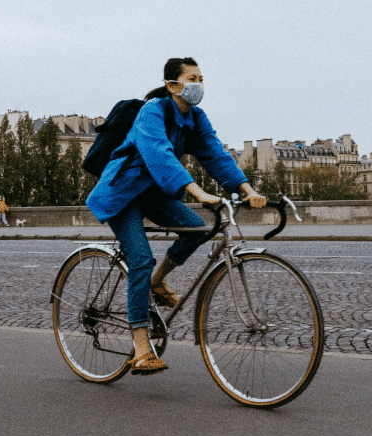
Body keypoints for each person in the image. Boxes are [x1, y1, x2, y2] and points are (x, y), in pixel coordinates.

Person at [86, 57, 266, 375]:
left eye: (201, 78)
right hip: (122, 192)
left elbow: (215, 153)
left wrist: (246, 188)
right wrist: (197, 192)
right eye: (192, 78)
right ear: (173, 85)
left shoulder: (195, 117)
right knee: (140, 257)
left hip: (153, 193)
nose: (198, 84)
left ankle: (155, 283)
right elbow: (159, 154)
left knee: (195, 227)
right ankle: (142, 349)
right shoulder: (152, 111)